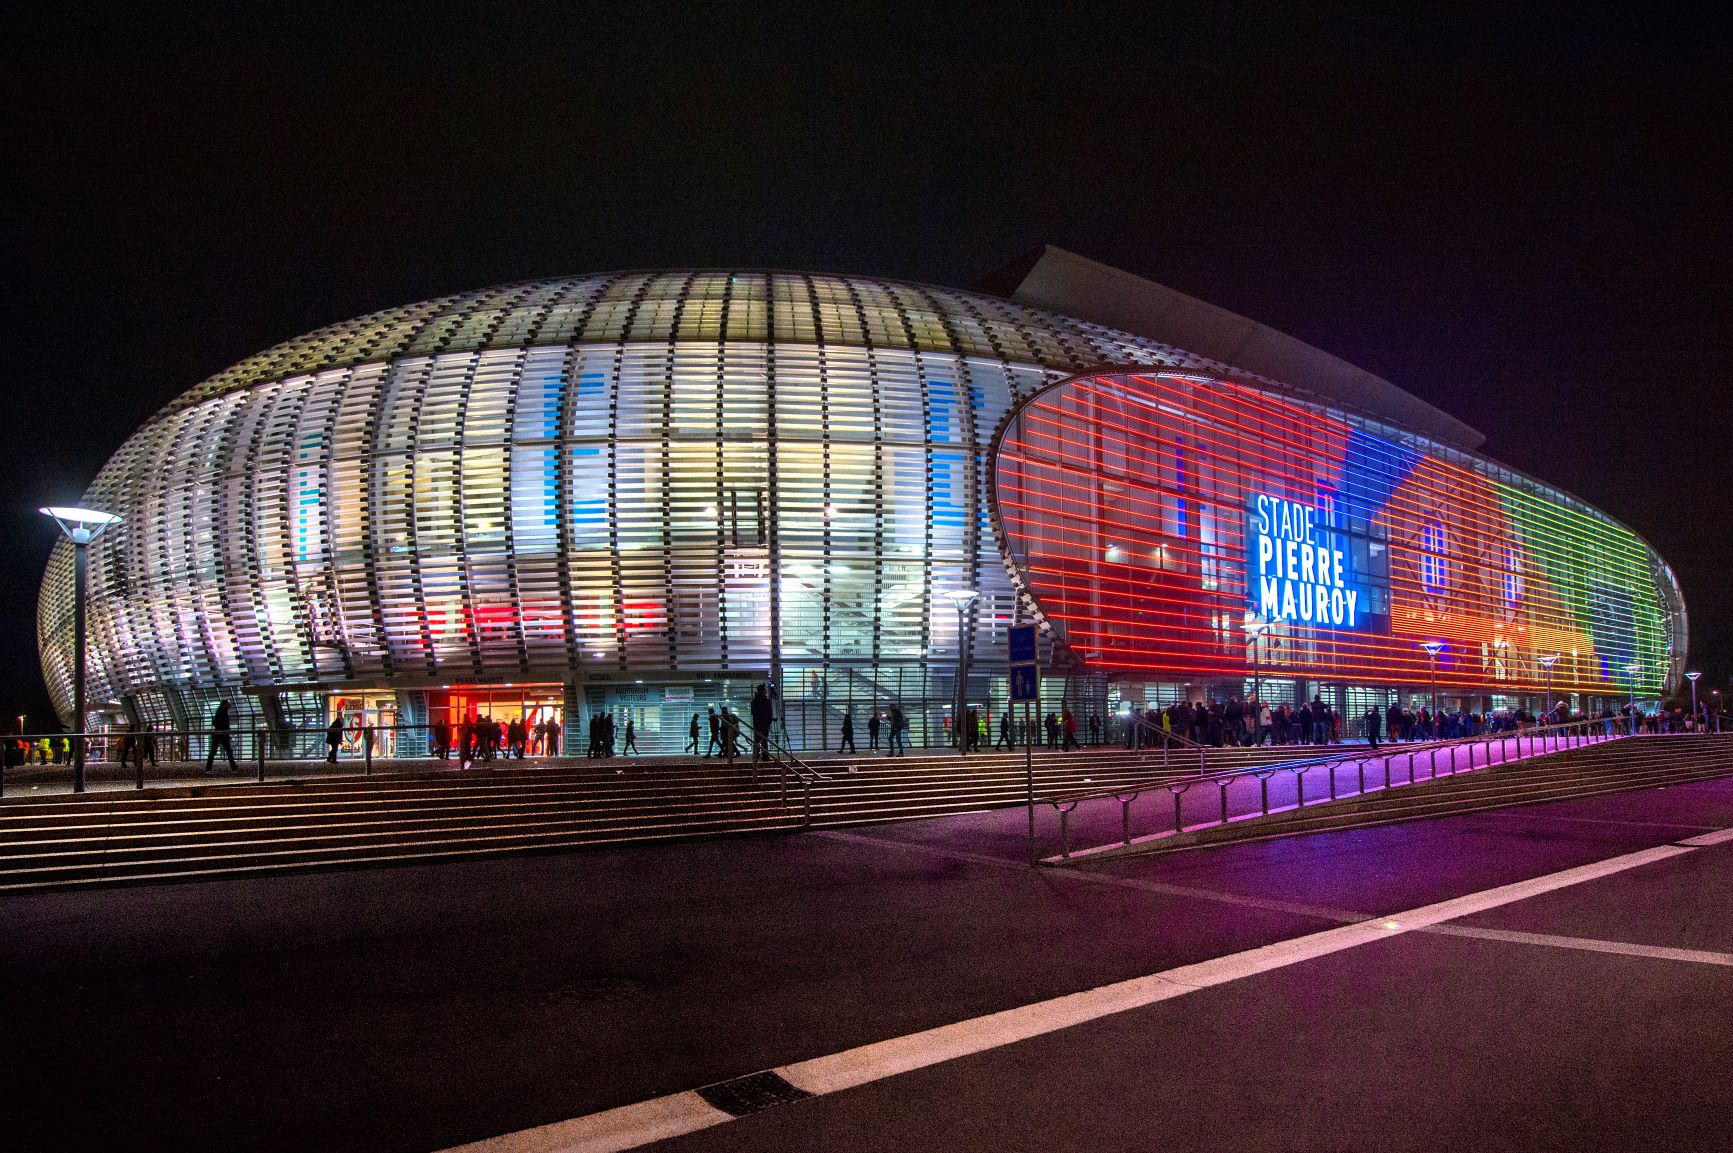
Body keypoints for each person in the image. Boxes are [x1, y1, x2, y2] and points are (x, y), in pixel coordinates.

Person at [204, 700, 238, 775]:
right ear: (225, 704)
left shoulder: (220, 711)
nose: (229, 705)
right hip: (222, 734)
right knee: (228, 751)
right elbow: (219, 722)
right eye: (228, 704)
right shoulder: (222, 711)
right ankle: (234, 767)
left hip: (219, 734)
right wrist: (225, 729)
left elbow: (215, 722)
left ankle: (208, 768)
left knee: (214, 752)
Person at [750, 684, 774, 762]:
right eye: (765, 689)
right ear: (763, 690)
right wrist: (769, 721)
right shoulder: (766, 701)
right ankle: (765, 757)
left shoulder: (754, 701)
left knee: (757, 741)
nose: (766, 690)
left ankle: (756, 756)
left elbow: (753, 713)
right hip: (764, 724)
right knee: (764, 741)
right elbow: (770, 713)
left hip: (757, 724)